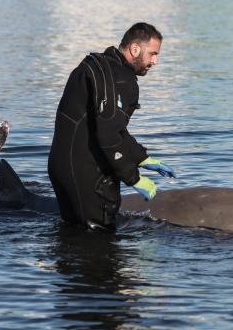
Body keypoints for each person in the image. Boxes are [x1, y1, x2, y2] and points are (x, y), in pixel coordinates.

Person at [48, 22, 176, 232]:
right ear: (135, 49)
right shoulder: (123, 81)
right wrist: (133, 177)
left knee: (72, 237)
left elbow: (108, 126)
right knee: (98, 240)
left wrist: (140, 157)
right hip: (87, 176)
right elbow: (107, 135)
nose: (155, 61)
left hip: (61, 167)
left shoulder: (95, 66)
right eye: (152, 54)